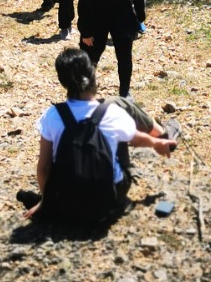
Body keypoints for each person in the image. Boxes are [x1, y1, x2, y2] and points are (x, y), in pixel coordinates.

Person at [25, 47, 177, 222]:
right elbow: (136, 138)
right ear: (92, 75)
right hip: (107, 201)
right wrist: (156, 143)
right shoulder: (112, 113)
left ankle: (61, 197)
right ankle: (164, 134)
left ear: (63, 81)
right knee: (118, 134)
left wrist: (46, 202)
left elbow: (43, 167)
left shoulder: (52, 115)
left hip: (66, 201)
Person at [77, 0, 145, 98]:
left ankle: (125, 91)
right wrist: (85, 32)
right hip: (97, 18)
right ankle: (84, 91)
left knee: (124, 55)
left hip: (122, 16)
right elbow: (83, 7)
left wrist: (139, 19)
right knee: (91, 55)